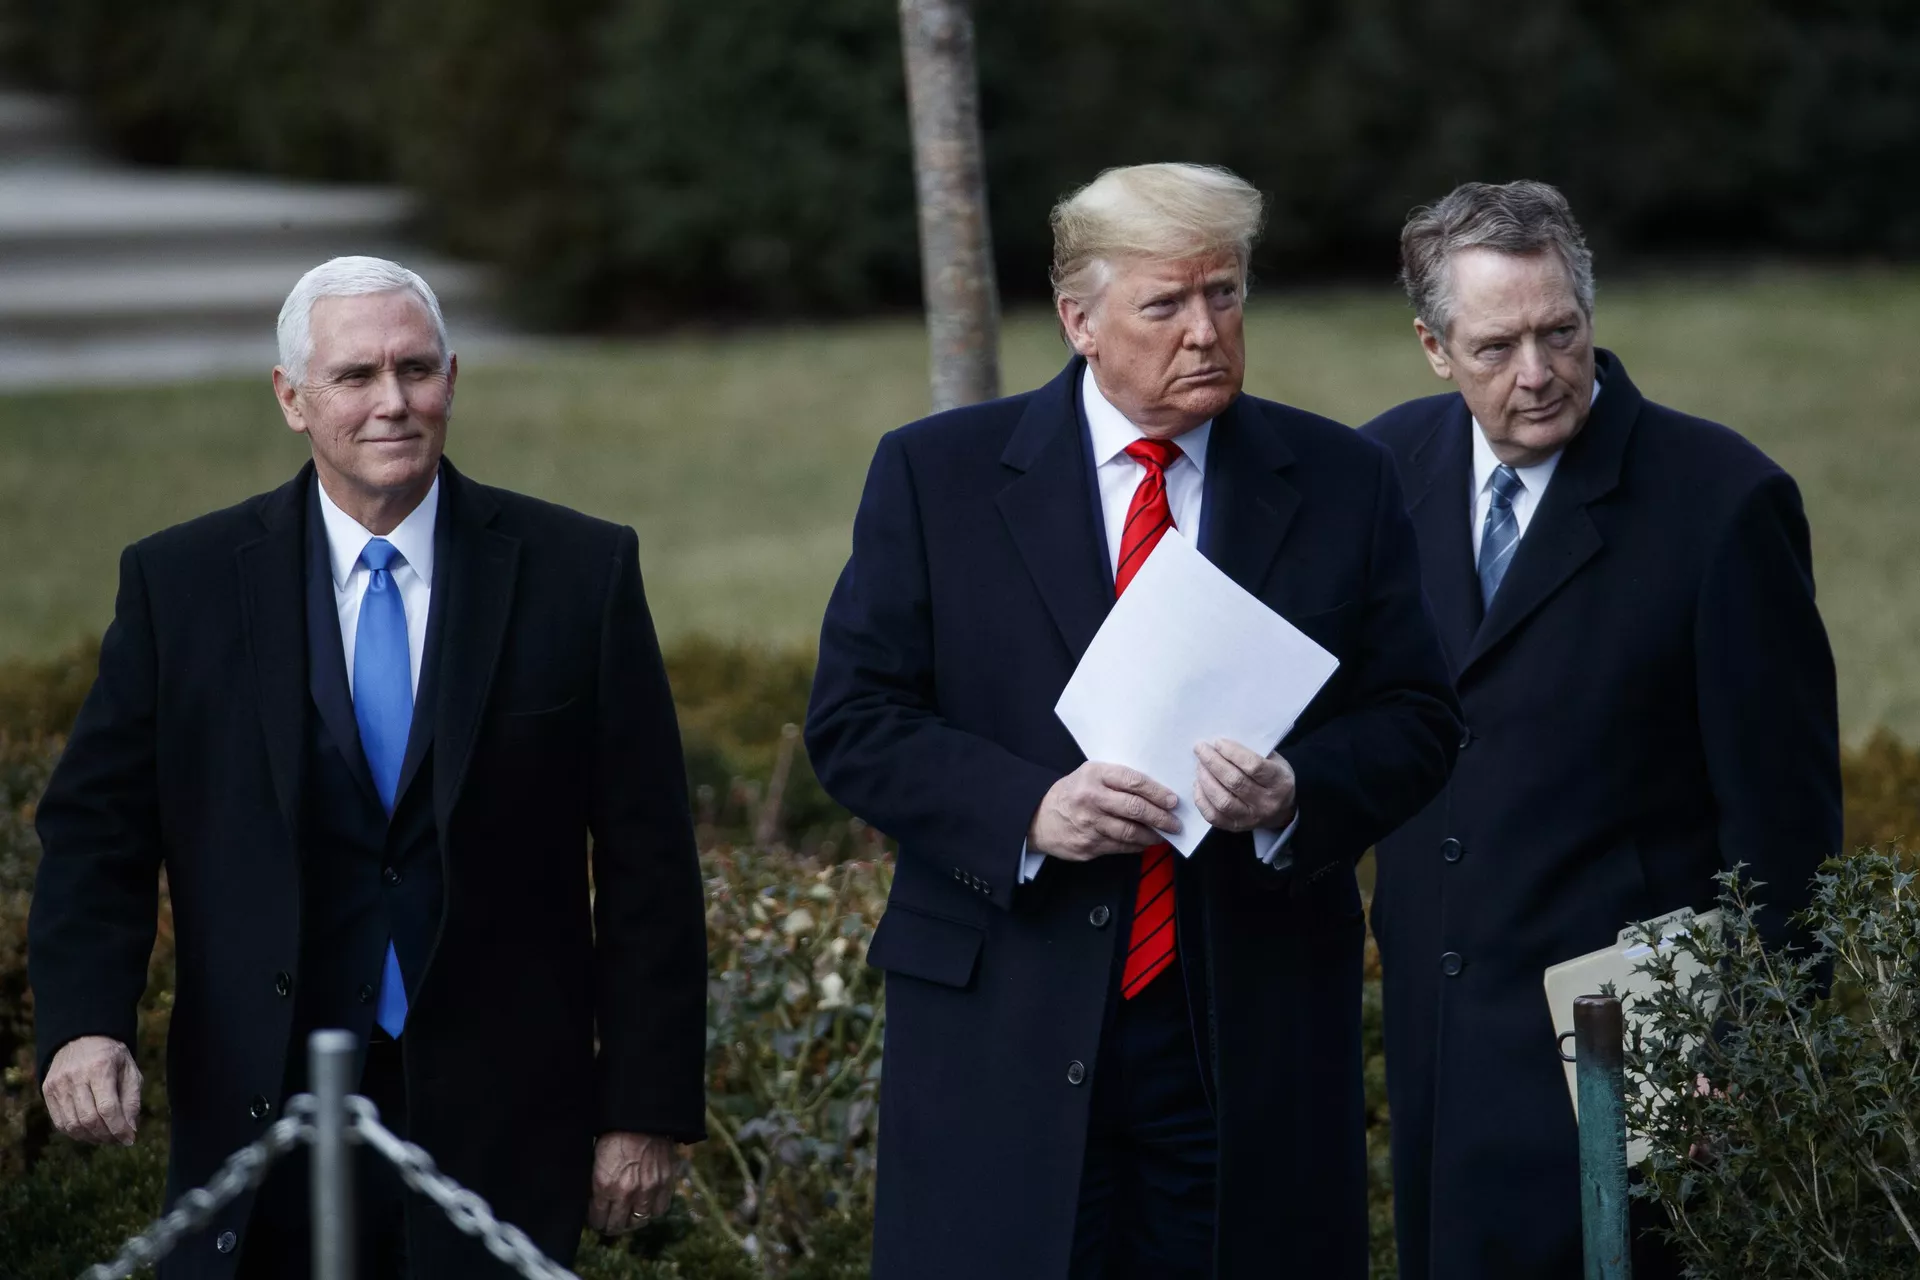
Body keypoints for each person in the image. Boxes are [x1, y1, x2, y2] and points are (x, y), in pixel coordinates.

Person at [806, 163, 1460, 1280]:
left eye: (1225, 295)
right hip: (1002, 1018)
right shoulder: (937, 475)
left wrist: (1296, 791)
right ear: (1081, 321)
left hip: (1240, 1026)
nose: (1205, 332)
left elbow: (1417, 718)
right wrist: (1029, 808)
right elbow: (856, 720)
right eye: (1165, 305)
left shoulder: (1342, 480)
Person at [29, 256, 708, 1278]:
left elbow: (650, 859)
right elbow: (97, 830)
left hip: (504, 1117)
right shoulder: (183, 584)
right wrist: (84, 1023)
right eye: (355, 376)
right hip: (263, 1104)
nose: (392, 401)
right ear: (291, 398)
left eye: (416, 369)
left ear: (452, 378)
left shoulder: (581, 571)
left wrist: (643, 1108)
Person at [1360, 181, 1842, 1278]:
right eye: (1496, 346)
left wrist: (1747, 1062)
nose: (1537, 372)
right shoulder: (1381, 470)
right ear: (1434, 347)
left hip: (1633, 1061)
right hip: (1440, 1048)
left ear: (1589, 310)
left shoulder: (1724, 502)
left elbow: (1787, 823)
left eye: (1559, 331)